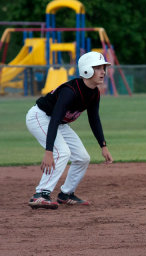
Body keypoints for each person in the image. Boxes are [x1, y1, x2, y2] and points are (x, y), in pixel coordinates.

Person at [25, 51, 113, 209]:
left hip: (58, 123)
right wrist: (49, 150)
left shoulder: (94, 93)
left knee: (82, 157)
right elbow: (54, 120)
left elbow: (94, 119)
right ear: (87, 70)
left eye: (103, 68)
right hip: (40, 117)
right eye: (98, 68)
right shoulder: (70, 91)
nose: (103, 72)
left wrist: (103, 145)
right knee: (62, 152)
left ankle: (66, 194)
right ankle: (41, 194)